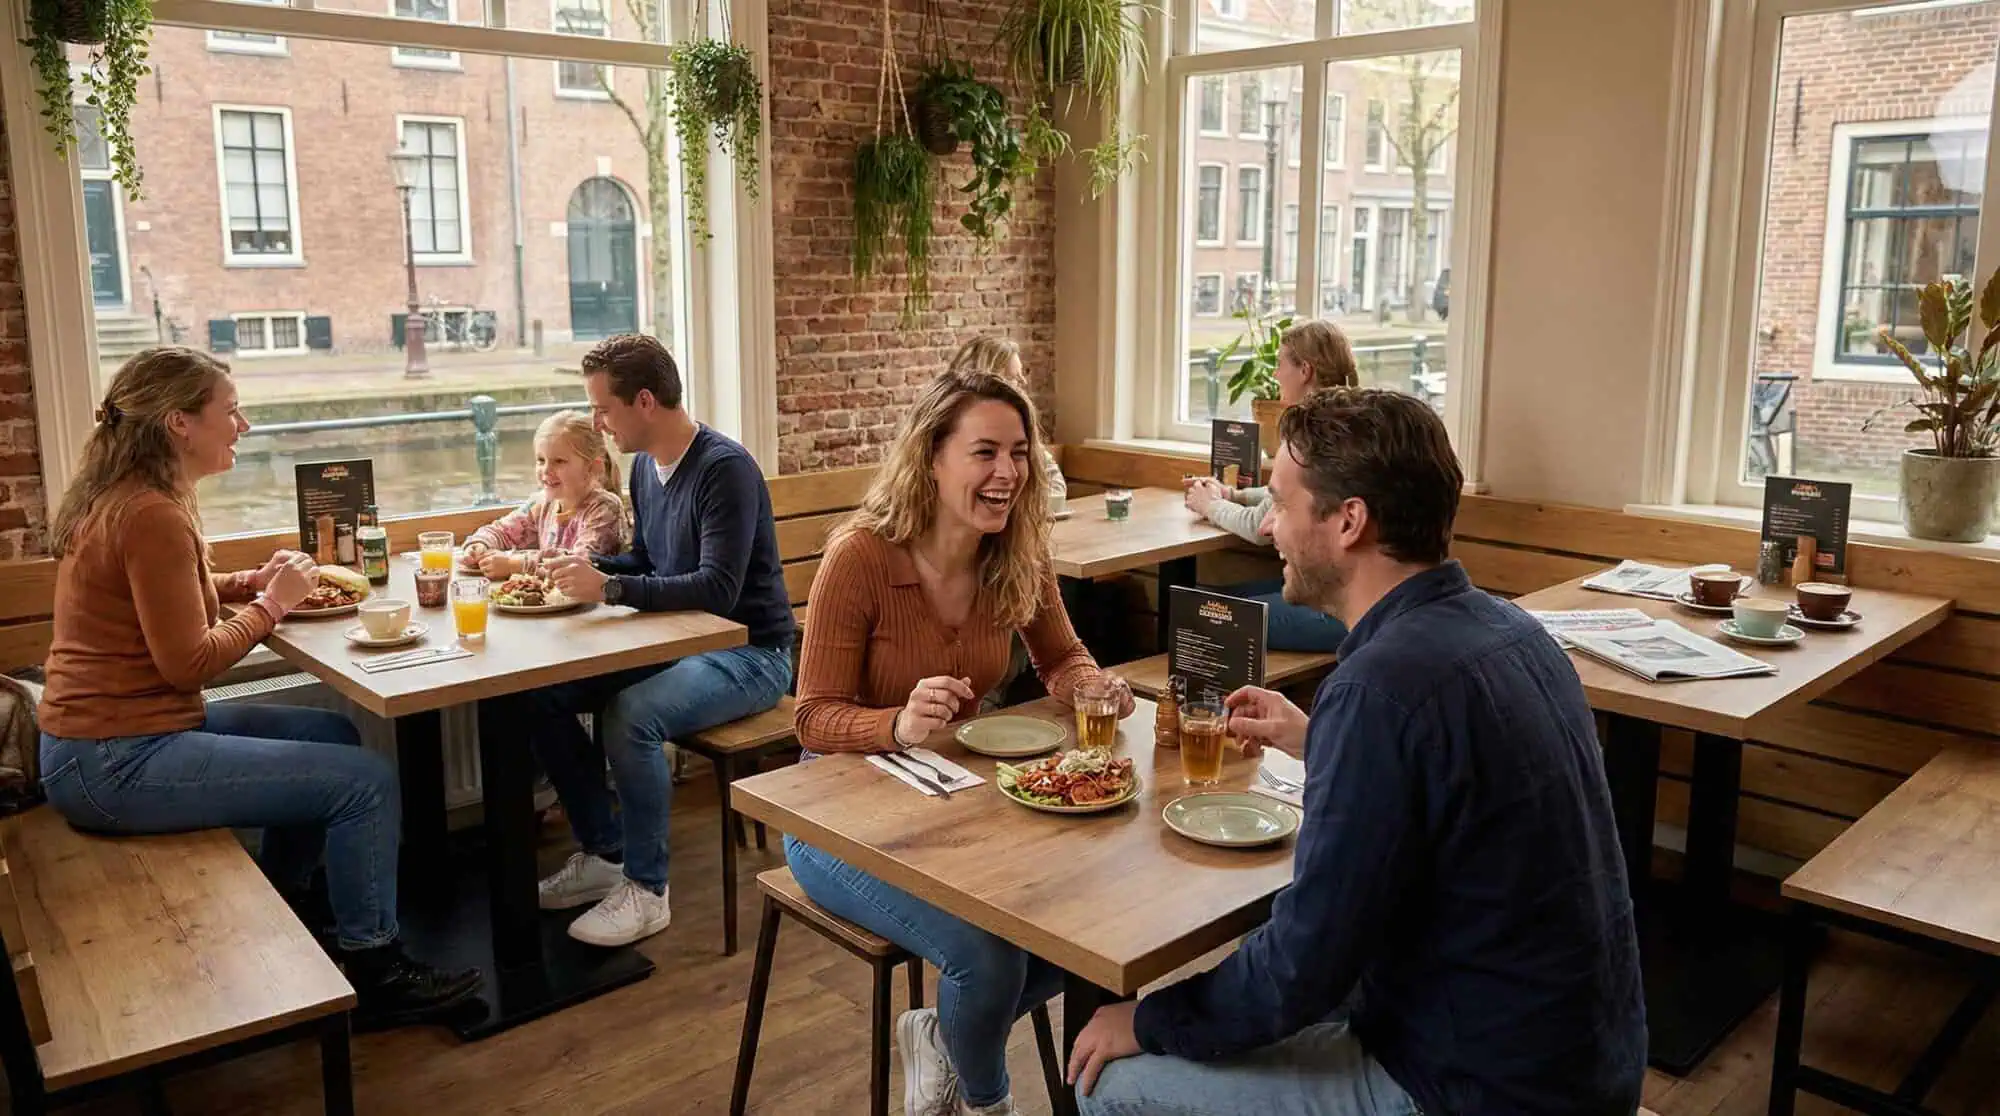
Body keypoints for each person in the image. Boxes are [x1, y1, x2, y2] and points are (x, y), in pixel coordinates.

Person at [1068, 387, 1647, 1115]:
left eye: (1281, 503)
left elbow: (1299, 968)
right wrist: (1322, 741)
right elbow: (1454, 788)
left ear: (1349, 522)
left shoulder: (1379, 689)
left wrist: (1146, 1020)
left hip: (1476, 1087)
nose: (1271, 527)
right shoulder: (1514, 632)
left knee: (1112, 1082)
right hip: (1590, 1063)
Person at [35, 347, 482, 1029]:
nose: (241, 424)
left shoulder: (126, 499)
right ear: (180, 423)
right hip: (112, 759)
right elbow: (189, 663)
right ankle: (377, 968)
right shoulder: (151, 513)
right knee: (362, 781)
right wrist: (271, 605)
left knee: (330, 734)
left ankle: (295, 909)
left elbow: (163, 599)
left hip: (102, 743)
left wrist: (245, 586)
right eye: (230, 410)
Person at [788, 368, 1134, 1116]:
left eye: (1018, 453)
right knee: (986, 958)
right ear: (932, 457)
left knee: (1096, 927)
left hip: (958, 805)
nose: (1006, 473)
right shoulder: (861, 557)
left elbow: (1062, 659)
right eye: (985, 452)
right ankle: (986, 1099)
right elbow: (812, 718)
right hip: (833, 818)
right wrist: (895, 725)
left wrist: (1093, 688)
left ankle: (943, 1039)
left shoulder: (1018, 551)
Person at [479, 333, 794, 948]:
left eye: (604, 409)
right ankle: (604, 853)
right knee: (533, 697)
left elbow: (719, 590)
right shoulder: (648, 470)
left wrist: (612, 591)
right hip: (681, 643)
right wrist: (586, 574)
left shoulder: (724, 469)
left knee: (630, 716)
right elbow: (648, 561)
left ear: (644, 401)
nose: (599, 423)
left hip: (753, 655)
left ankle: (649, 891)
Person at [1182, 320, 1358, 653]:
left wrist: (1209, 505)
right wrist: (1236, 494)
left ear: (1305, 370)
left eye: (1280, 365)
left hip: (1340, 607)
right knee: (1204, 602)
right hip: (1332, 586)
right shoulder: (1348, 419)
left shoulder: (1313, 433)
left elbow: (1255, 528)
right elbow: (1300, 492)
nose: (1275, 375)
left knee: (1197, 614)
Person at [461, 409, 627, 578]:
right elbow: (502, 532)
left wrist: (517, 565)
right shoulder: (542, 503)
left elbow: (578, 564)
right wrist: (479, 545)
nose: (546, 470)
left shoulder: (605, 509)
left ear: (592, 467)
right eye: (541, 460)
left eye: (559, 461)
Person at [945, 336, 1066, 509]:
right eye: (1013, 378)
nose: (1023, 383)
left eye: (1018, 452)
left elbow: (1056, 491)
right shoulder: (950, 430)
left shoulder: (1020, 430)